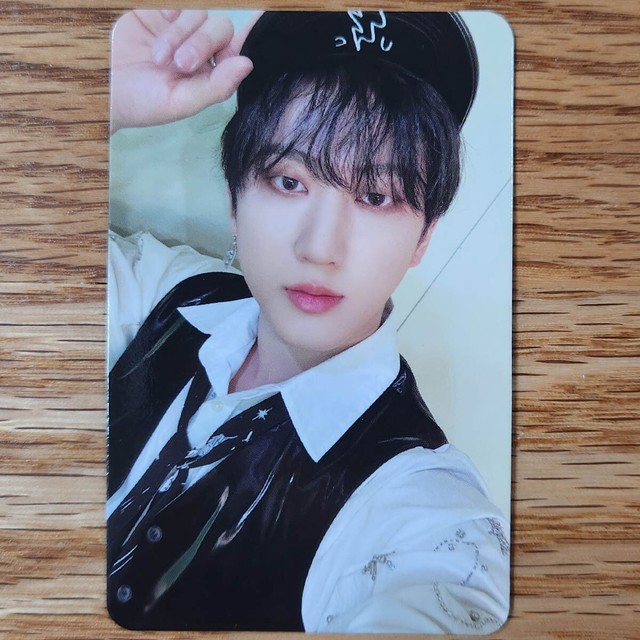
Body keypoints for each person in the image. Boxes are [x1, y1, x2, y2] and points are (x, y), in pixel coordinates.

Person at [106, 9, 510, 633]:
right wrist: (94, 101)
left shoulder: (418, 507)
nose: (321, 248)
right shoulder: (166, 294)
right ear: (235, 199)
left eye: (375, 196)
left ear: (424, 237)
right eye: (289, 181)